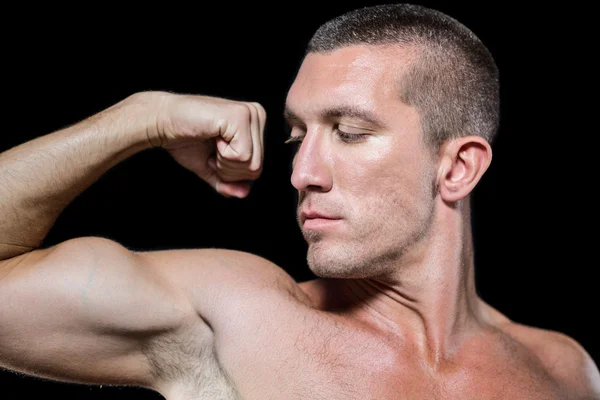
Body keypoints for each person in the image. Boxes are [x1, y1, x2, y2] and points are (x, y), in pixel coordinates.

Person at [0, 3, 598, 399]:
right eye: (296, 136)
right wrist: (142, 117)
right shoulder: (239, 318)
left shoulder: (564, 373)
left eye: (350, 132)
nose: (302, 172)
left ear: (458, 167)